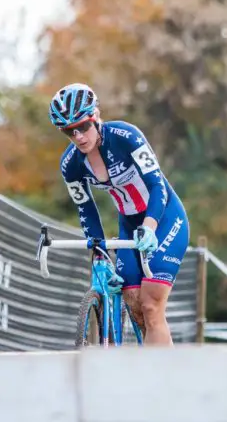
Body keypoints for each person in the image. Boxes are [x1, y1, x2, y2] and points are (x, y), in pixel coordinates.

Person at [48, 82, 190, 346]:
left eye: (83, 126)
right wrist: (99, 254)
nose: (78, 136)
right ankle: (151, 369)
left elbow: (157, 185)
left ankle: (166, 382)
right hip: (129, 224)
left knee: (150, 305)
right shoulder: (71, 164)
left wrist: (149, 225)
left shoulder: (126, 136)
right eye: (69, 131)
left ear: (96, 116)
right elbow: (86, 209)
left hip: (164, 217)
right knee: (135, 307)